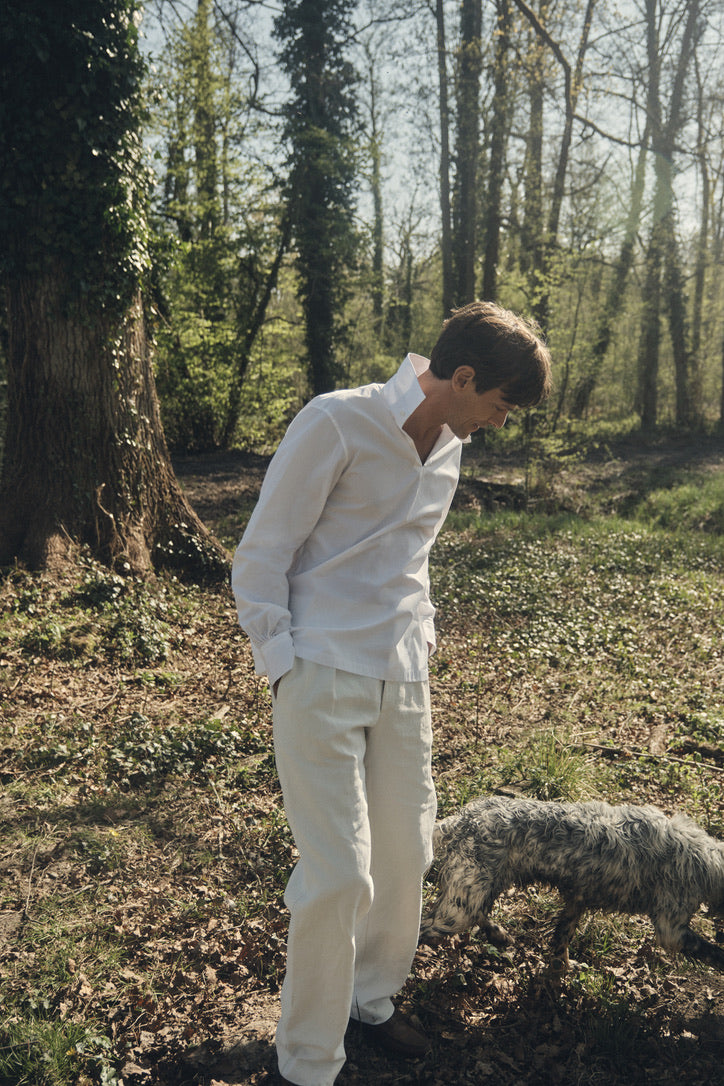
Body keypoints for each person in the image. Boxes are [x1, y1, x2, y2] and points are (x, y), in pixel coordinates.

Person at [231, 301, 552, 1086]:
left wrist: (425, 639)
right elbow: (263, 551)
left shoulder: (450, 449)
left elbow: (413, 561)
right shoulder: (336, 422)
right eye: (501, 405)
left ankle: (370, 1001)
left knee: (407, 855)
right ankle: (307, 1060)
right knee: (341, 874)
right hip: (321, 670)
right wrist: (285, 663)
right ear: (465, 376)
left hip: (403, 676)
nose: (500, 423)